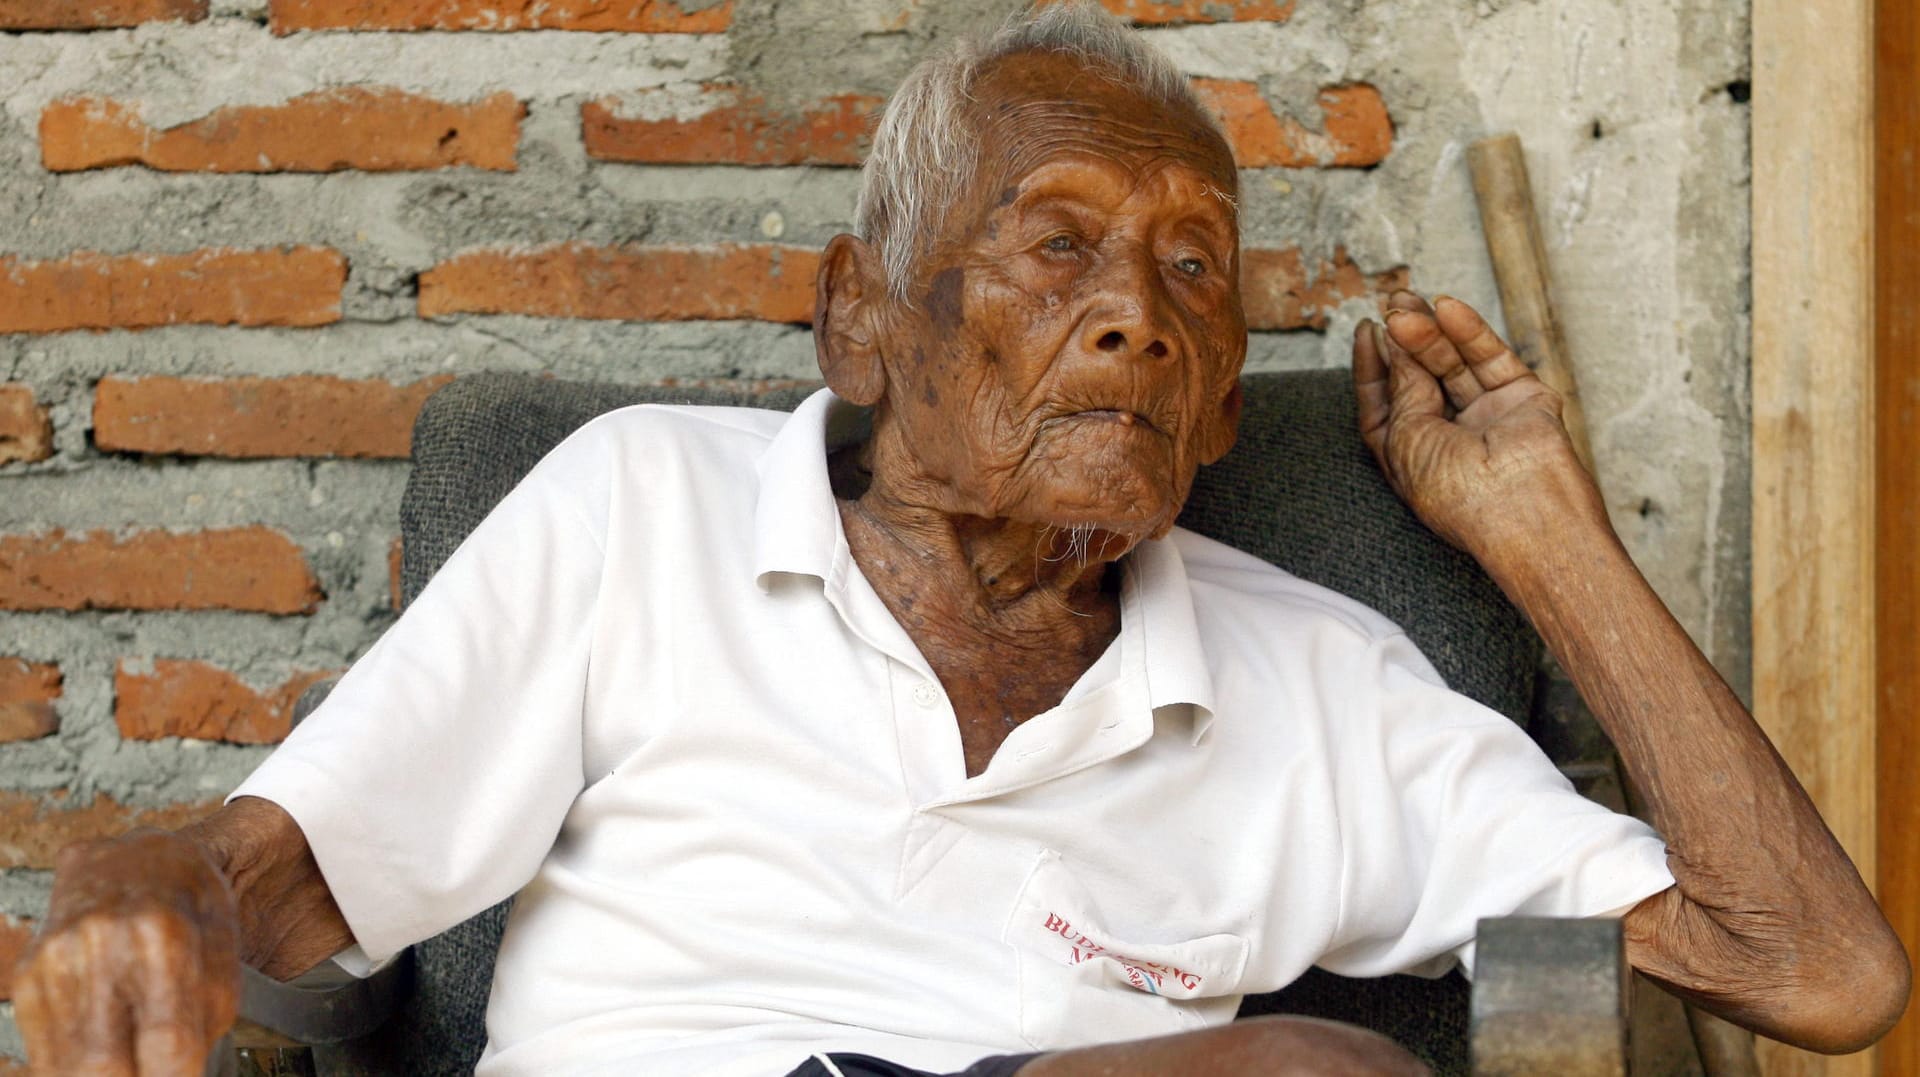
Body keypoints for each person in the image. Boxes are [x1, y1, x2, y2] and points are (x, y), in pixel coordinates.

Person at [12, 4, 1908, 1075]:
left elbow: (1822, 973)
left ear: (1226, 404)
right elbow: (275, 879)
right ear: (861, 321)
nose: (1135, 316)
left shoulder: (1314, 682)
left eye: (1190, 277)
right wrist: (132, 880)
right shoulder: (638, 505)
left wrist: (1542, 527)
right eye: (1058, 242)